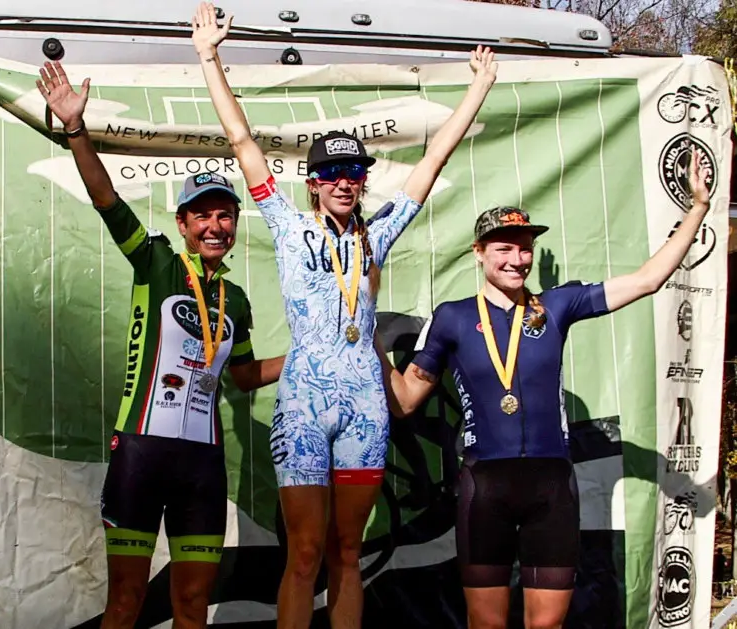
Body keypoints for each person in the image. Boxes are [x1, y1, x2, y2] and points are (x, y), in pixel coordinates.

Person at [190, 3, 498, 627]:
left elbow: (433, 161)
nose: (341, 181)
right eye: (329, 172)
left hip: (364, 403)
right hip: (303, 404)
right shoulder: (285, 224)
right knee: (303, 555)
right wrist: (209, 58)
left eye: (352, 171)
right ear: (312, 183)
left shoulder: (376, 236)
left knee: (349, 554)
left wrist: (479, 88)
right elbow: (243, 141)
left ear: (361, 180)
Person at [377, 153, 712, 629]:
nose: (517, 259)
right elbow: (407, 399)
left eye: (524, 248)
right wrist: (365, 336)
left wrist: (696, 208)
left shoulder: (558, 305)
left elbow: (648, 280)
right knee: (487, 625)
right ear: (478, 252)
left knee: (547, 626)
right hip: (483, 487)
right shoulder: (451, 317)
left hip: (551, 486)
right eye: (504, 249)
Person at [36, 60, 284, 629]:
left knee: (192, 604)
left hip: (202, 463)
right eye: (203, 216)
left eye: (226, 215)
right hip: (141, 456)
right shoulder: (156, 264)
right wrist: (76, 128)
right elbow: (106, 200)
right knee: (126, 603)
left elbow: (243, 379)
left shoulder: (238, 300)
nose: (216, 225)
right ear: (183, 223)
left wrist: (305, 358)